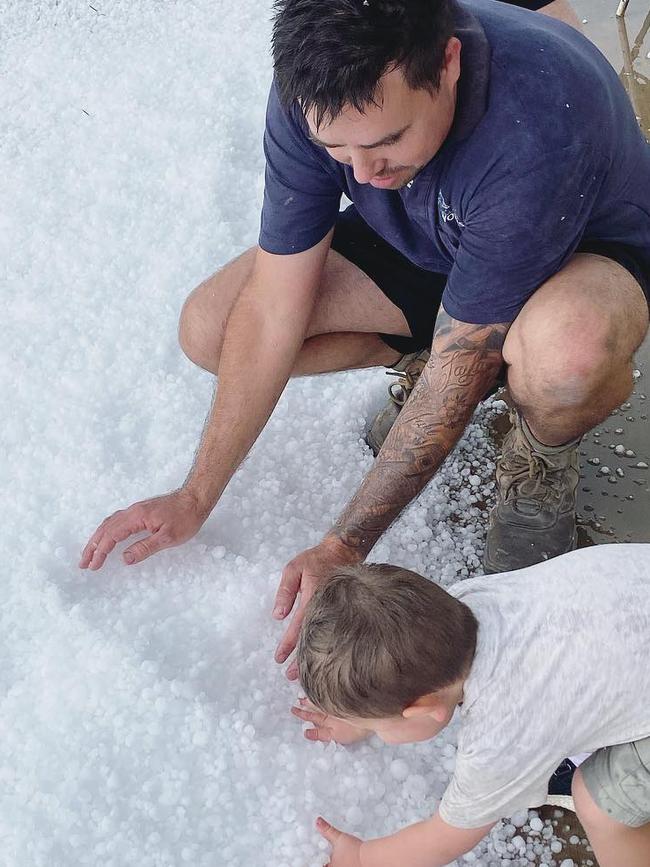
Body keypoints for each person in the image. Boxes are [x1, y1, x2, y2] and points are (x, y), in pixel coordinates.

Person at [79, 0, 650, 673]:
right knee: (212, 327)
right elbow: (271, 308)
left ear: (449, 63)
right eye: (337, 150)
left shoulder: (536, 120)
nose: (361, 175)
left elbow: (461, 362)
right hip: (441, 241)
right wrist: (196, 492)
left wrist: (343, 545)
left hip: (579, 251)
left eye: (386, 142)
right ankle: (433, 356)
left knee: (566, 355)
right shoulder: (316, 92)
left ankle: (540, 467)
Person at [291, 544, 650, 867]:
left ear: (422, 708)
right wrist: (367, 709)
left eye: (376, 728)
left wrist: (362, 857)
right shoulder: (469, 601)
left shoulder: (500, 737)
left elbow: (446, 837)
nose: (374, 732)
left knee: (599, 802)